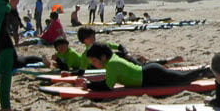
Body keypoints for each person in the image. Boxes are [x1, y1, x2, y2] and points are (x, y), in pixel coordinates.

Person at [75, 43, 209, 91]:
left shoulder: (112, 64)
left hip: (150, 75)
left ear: (103, 57)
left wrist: (89, 85)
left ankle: (207, 70)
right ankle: (205, 70)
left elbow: (107, 87)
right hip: (149, 73)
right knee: (181, 77)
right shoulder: (112, 59)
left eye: (93, 60)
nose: (93, 64)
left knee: (184, 79)